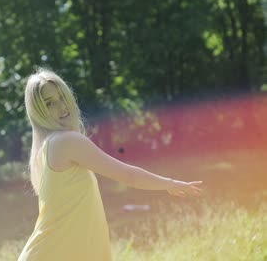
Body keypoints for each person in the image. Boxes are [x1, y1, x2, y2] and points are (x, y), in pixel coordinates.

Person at [17, 68, 203, 261]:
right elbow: (127, 175)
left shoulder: (46, 147)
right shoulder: (66, 142)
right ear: (39, 113)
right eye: (49, 104)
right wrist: (169, 183)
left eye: (61, 97)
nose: (61, 106)